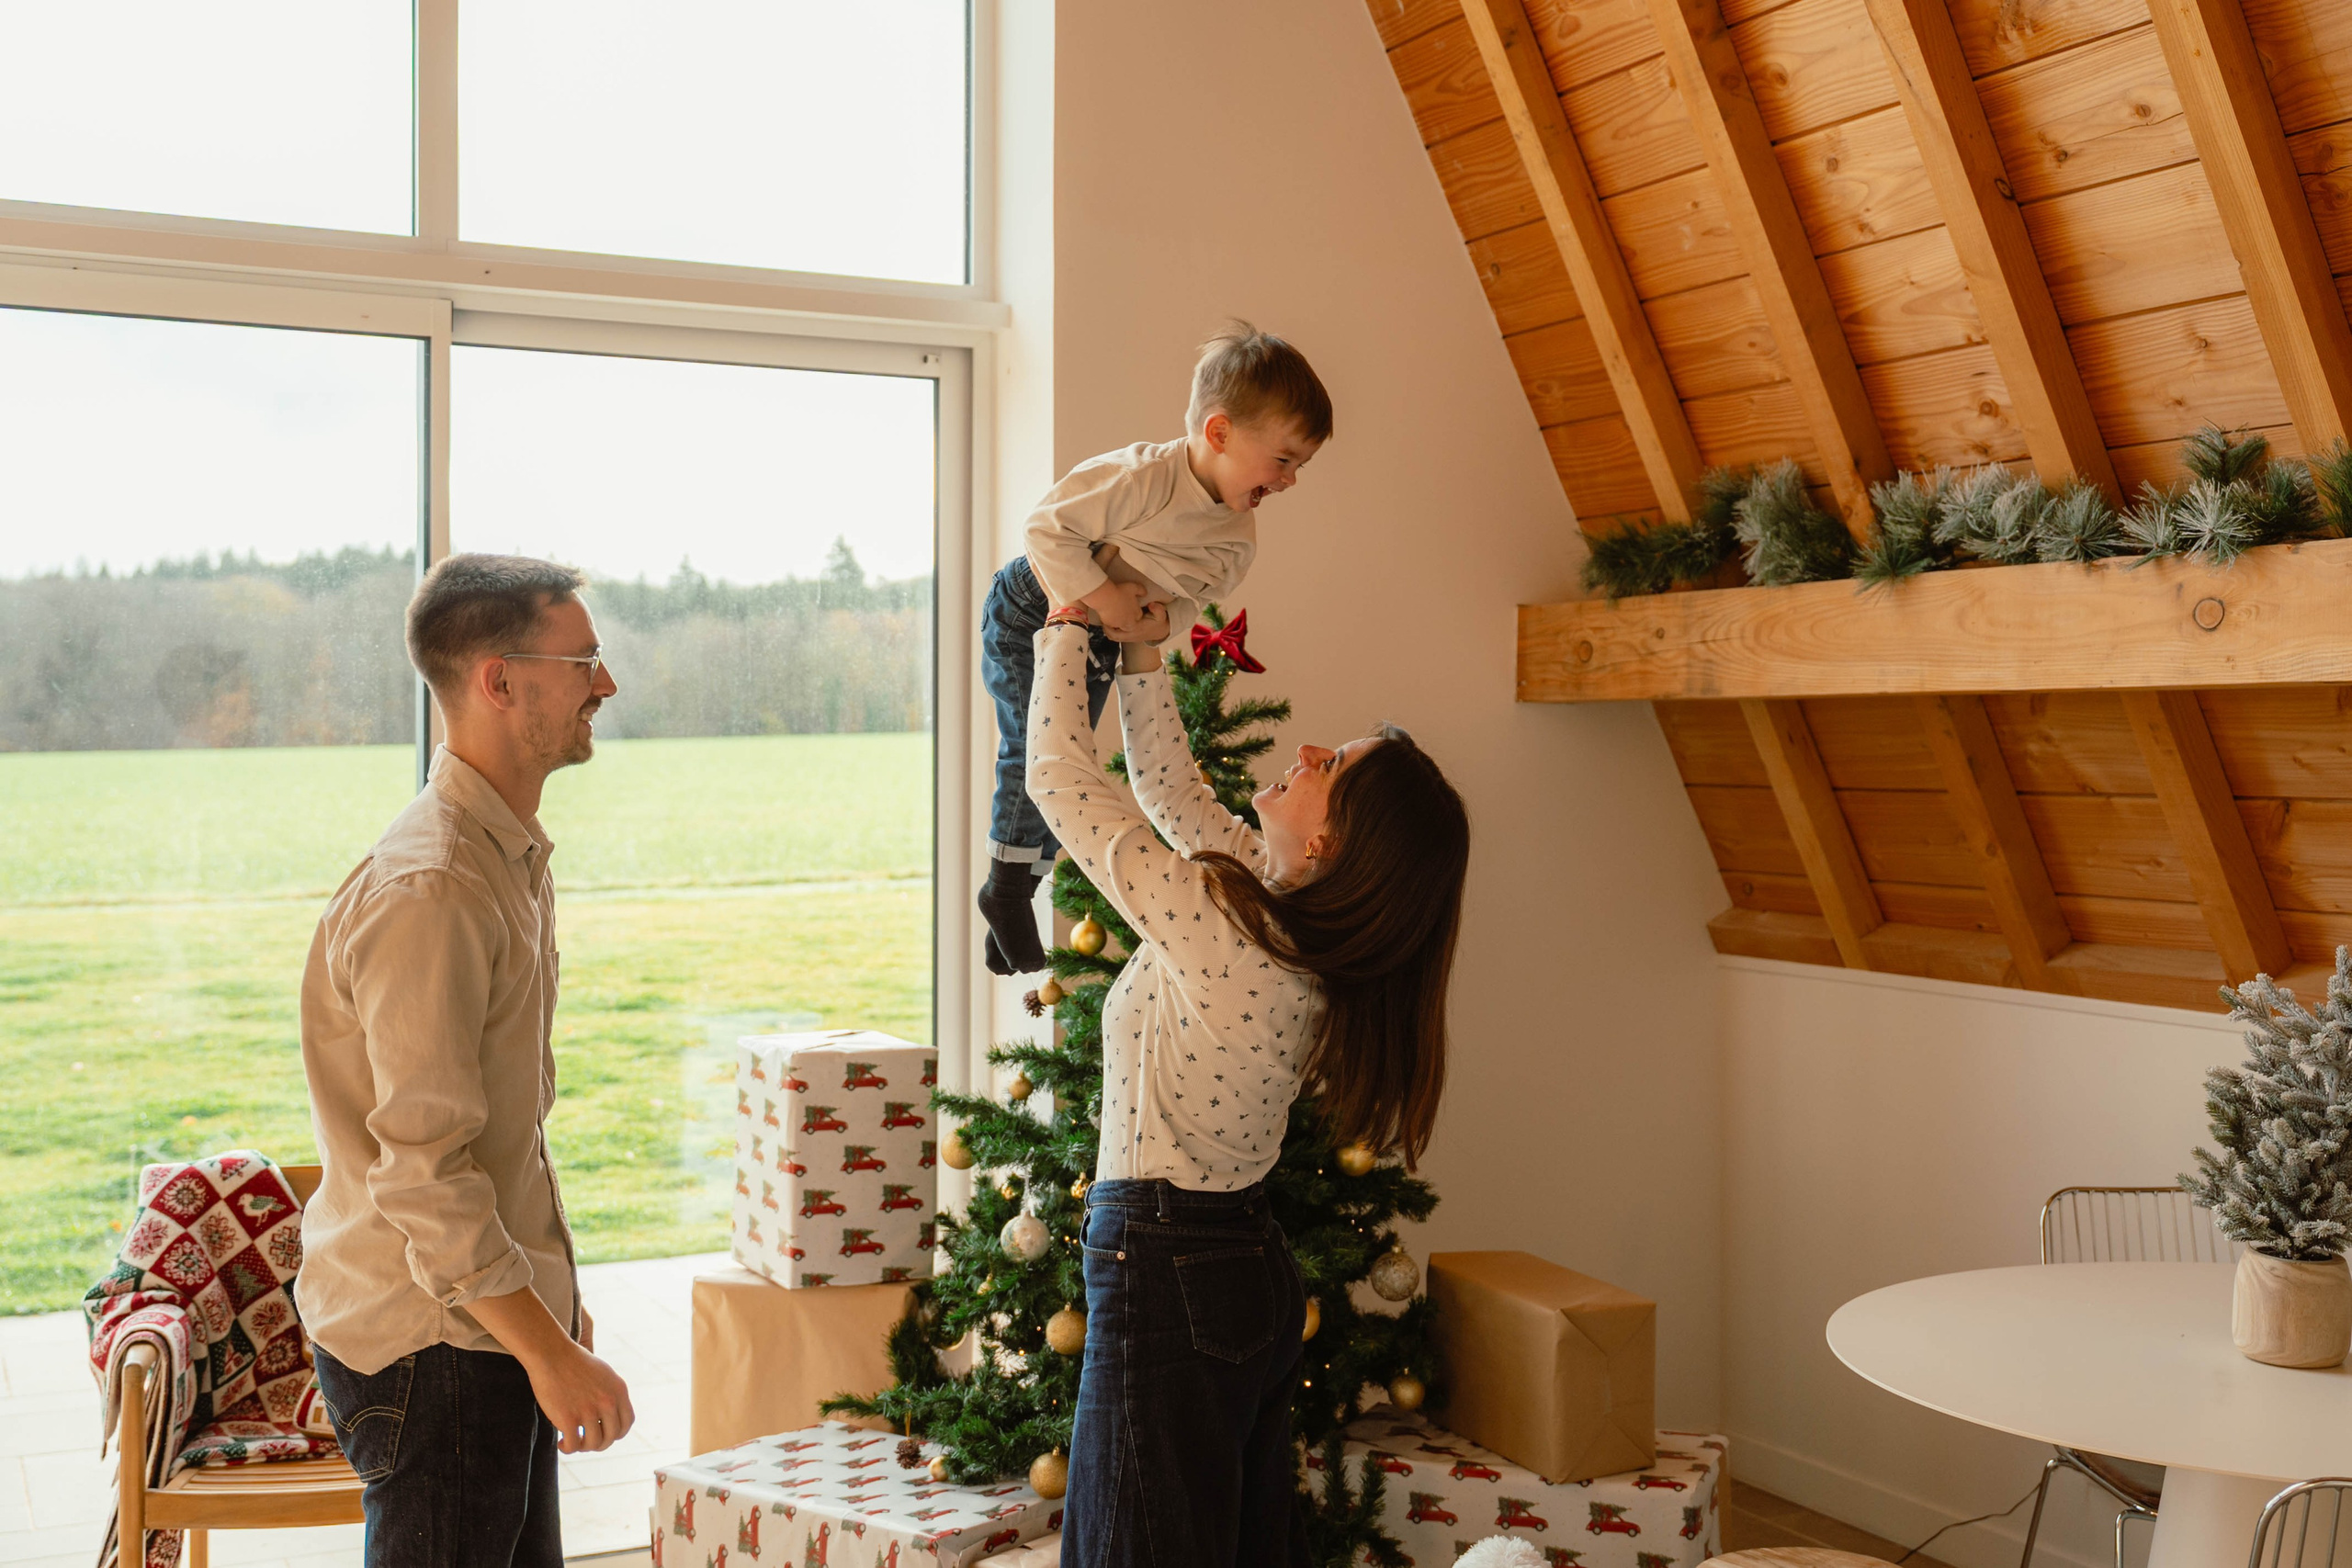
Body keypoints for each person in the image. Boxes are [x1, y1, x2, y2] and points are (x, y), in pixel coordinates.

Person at [1027, 603, 1470, 1567]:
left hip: (1167, 1263)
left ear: (1333, 848)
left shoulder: (1233, 932)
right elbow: (1172, 793)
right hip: (1229, 1268)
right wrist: (1140, 647)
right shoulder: (1276, 921)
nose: (1306, 751)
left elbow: (1060, 782)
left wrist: (1066, 628)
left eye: (1332, 768)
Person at [298, 554, 631, 1568]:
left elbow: (496, 1131)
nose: (604, 687)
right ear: (498, 679)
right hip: (431, 1350)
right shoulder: (435, 887)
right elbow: (424, 1172)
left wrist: (548, 1310)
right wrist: (547, 1349)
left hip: (481, 1329)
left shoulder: (504, 856)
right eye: (583, 662)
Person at [977, 321, 1332, 976]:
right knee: (1038, 750)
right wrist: (1103, 600)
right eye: (1282, 460)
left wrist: (1159, 621)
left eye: (1299, 466)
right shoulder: (1144, 477)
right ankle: (1007, 886)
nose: (1288, 481)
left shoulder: (1238, 539)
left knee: (1072, 757)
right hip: (1034, 604)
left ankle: (1016, 885)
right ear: (1220, 433)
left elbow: (1196, 601)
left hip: (1105, 636)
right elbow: (1044, 530)